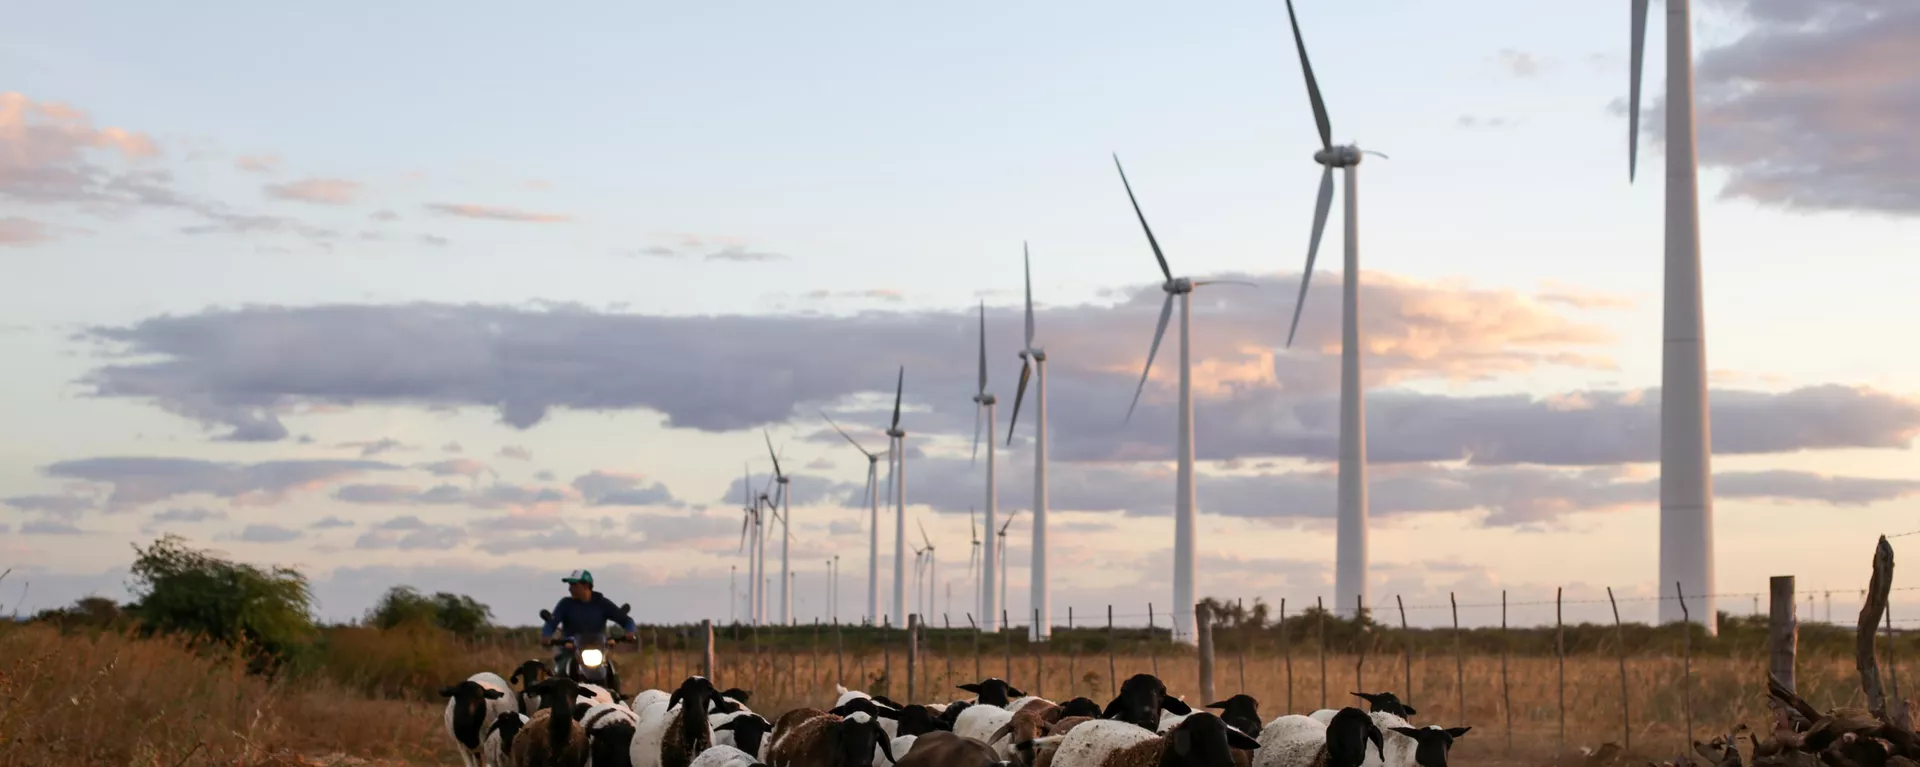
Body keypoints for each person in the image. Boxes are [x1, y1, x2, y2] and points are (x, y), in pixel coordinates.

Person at [540, 569, 638, 671]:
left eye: (574, 585)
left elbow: (626, 620)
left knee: (612, 670)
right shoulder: (565, 604)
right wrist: (546, 635)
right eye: (570, 585)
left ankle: (614, 687)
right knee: (561, 670)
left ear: (586, 585)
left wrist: (630, 631)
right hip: (570, 651)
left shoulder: (602, 603)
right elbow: (552, 623)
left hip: (599, 651)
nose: (570, 588)